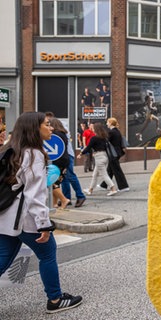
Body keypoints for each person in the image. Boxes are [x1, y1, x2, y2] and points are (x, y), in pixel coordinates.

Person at [0, 112, 83, 313]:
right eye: (47, 125)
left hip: (6, 217)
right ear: (34, 129)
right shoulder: (33, 154)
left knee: (2, 259)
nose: (51, 128)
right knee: (47, 255)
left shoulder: (11, 150)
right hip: (26, 219)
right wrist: (44, 224)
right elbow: (35, 195)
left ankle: (55, 298)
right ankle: (55, 300)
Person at [77, 122, 118, 196]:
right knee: (95, 174)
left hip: (99, 158)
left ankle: (113, 188)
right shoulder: (104, 137)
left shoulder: (94, 138)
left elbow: (88, 147)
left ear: (96, 129)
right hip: (104, 157)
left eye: (93, 128)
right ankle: (90, 190)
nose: (92, 129)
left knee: (104, 175)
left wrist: (81, 154)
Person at [98, 117, 130, 192]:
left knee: (117, 170)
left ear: (111, 123)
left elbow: (105, 141)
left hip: (113, 154)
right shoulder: (117, 131)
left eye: (108, 122)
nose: (107, 124)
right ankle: (104, 185)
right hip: (117, 153)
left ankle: (124, 187)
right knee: (110, 170)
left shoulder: (111, 132)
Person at [48, 118, 72, 209]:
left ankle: (64, 200)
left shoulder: (54, 134)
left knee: (51, 183)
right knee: (56, 182)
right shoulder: (63, 134)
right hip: (64, 160)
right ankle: (54, 204)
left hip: (57, 161)